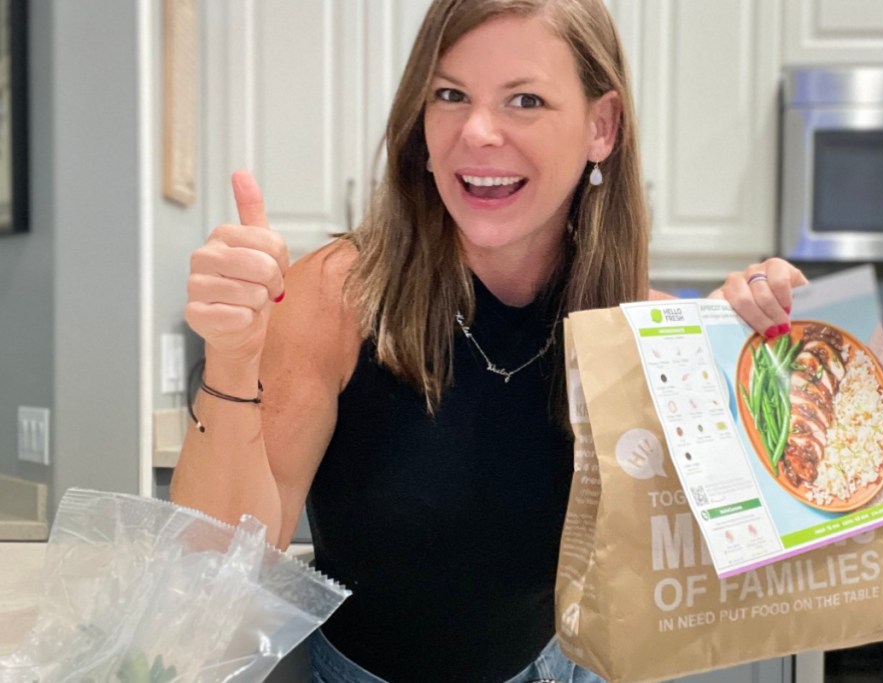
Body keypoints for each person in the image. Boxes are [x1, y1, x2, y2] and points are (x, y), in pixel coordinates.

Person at [171, 0, 807, 681]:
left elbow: (776, 555)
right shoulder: (336, 299)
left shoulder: (631, 326)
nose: (475, 131)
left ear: (602, 125)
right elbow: (217, 583)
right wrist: (234, 359)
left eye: (524, 99)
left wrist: (760, 366)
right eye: (450, 94)